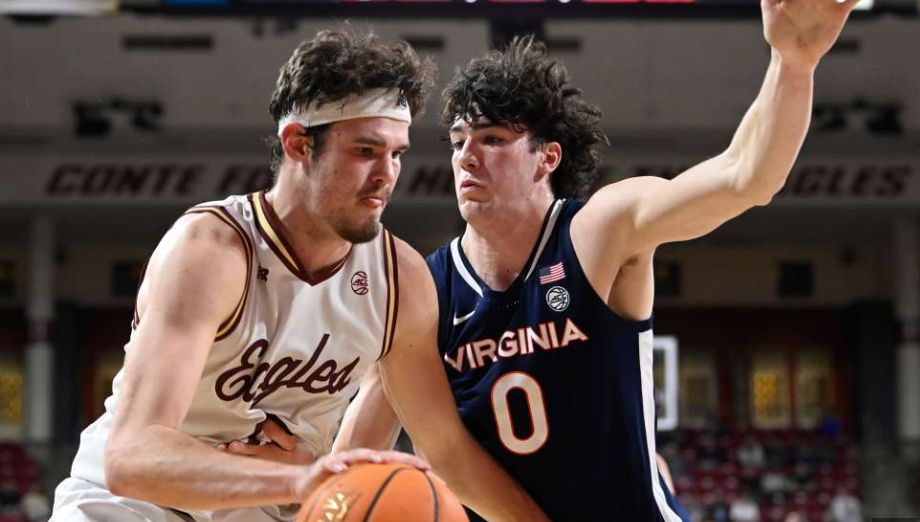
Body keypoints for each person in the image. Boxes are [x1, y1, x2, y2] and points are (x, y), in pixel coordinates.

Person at [336, 0, 862, 520]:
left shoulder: (597, 231)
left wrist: (792, 63)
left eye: (492, 139)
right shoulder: (422, 291)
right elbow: (350, 465)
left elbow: (745, 177)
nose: (466, 156)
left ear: (548, 157)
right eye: (457, 142)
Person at [50, 29, 549, 522]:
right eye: (364, 151)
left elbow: (443, 447)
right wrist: (302, 480)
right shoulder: (212, 250)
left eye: (396, 153)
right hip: (128, 507)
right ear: (298, 145)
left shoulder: (401, 279)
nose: (386, 174)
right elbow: (132, 458)